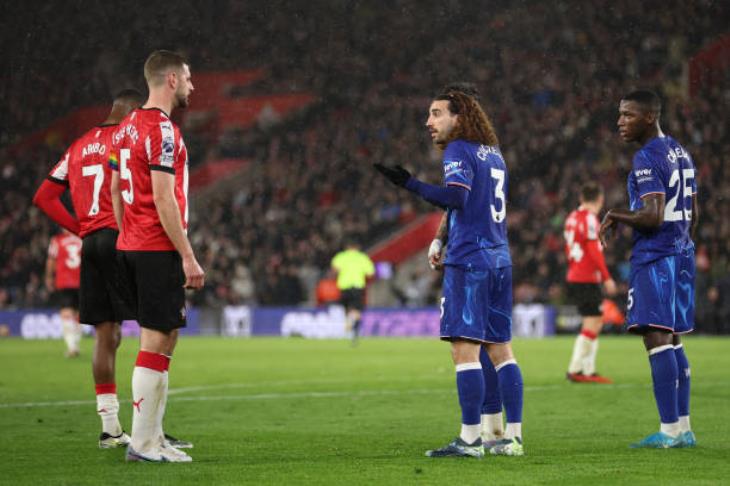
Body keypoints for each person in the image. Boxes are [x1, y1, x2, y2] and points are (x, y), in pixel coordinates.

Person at [375, 82, 524, 458]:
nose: (429, 121)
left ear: (459, 118)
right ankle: (512, 437)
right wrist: (440, 238)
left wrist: (409, 183)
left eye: (436, 113)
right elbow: (468, 205)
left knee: (464, 351)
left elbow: (456, 197)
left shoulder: (458, 149)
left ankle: (470, 439)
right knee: (502, 350)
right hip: (499, 259)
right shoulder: (494, 153)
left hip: (471, 260)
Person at [110, 50, 205, 463]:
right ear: (170, 80)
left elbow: (116, 187)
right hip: (156, 246)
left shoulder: (128, 126)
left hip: (136, 243)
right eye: (187, 78)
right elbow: (164, 198)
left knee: (165, 337)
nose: (191, 86)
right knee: (155, 338)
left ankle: (152, 436)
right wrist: (187, 255)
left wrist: (126, 232)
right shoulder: (162, 131)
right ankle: (143, 444)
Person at [599, 89, 697, 449]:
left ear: (650, 117)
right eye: (620, 114)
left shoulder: (647, 157)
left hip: (657, 256)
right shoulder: (681, 152)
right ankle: (684, 428)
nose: (620, 121)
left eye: (628, 115)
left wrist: (615, 215)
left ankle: (669, 430)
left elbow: (652, 217)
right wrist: (681, 245)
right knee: (673, 338)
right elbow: (694, 214)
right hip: (681, 251)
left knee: (656, 337)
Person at [564, 182, 617, 383]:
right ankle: (576, 369)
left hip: (575, 274)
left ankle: (588, 370)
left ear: (581, 198)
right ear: (600, 199)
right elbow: (594, 251)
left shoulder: (571, 218)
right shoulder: (590, 219)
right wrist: (607, 277)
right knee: (593, 321)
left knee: (595, 320)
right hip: (586, 277)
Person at [44, 229, 83, 358]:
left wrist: (49, 277)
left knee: (66, 313)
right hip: (83, 281)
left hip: (65, 282)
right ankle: (75, 343)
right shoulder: (82, 239)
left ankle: (72, 346)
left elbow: (51, 260)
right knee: (79, 314)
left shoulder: (57, 240)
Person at [330, 241, 375, 345]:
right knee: (357, 310)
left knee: (347, 308)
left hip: (344, 287)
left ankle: (350, 323)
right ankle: (355, 332)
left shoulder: (341, 256)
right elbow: (370, 273)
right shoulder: (362, 257)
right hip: (357, 287)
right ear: (357, 247)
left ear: (347, 246)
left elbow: (334, 270)